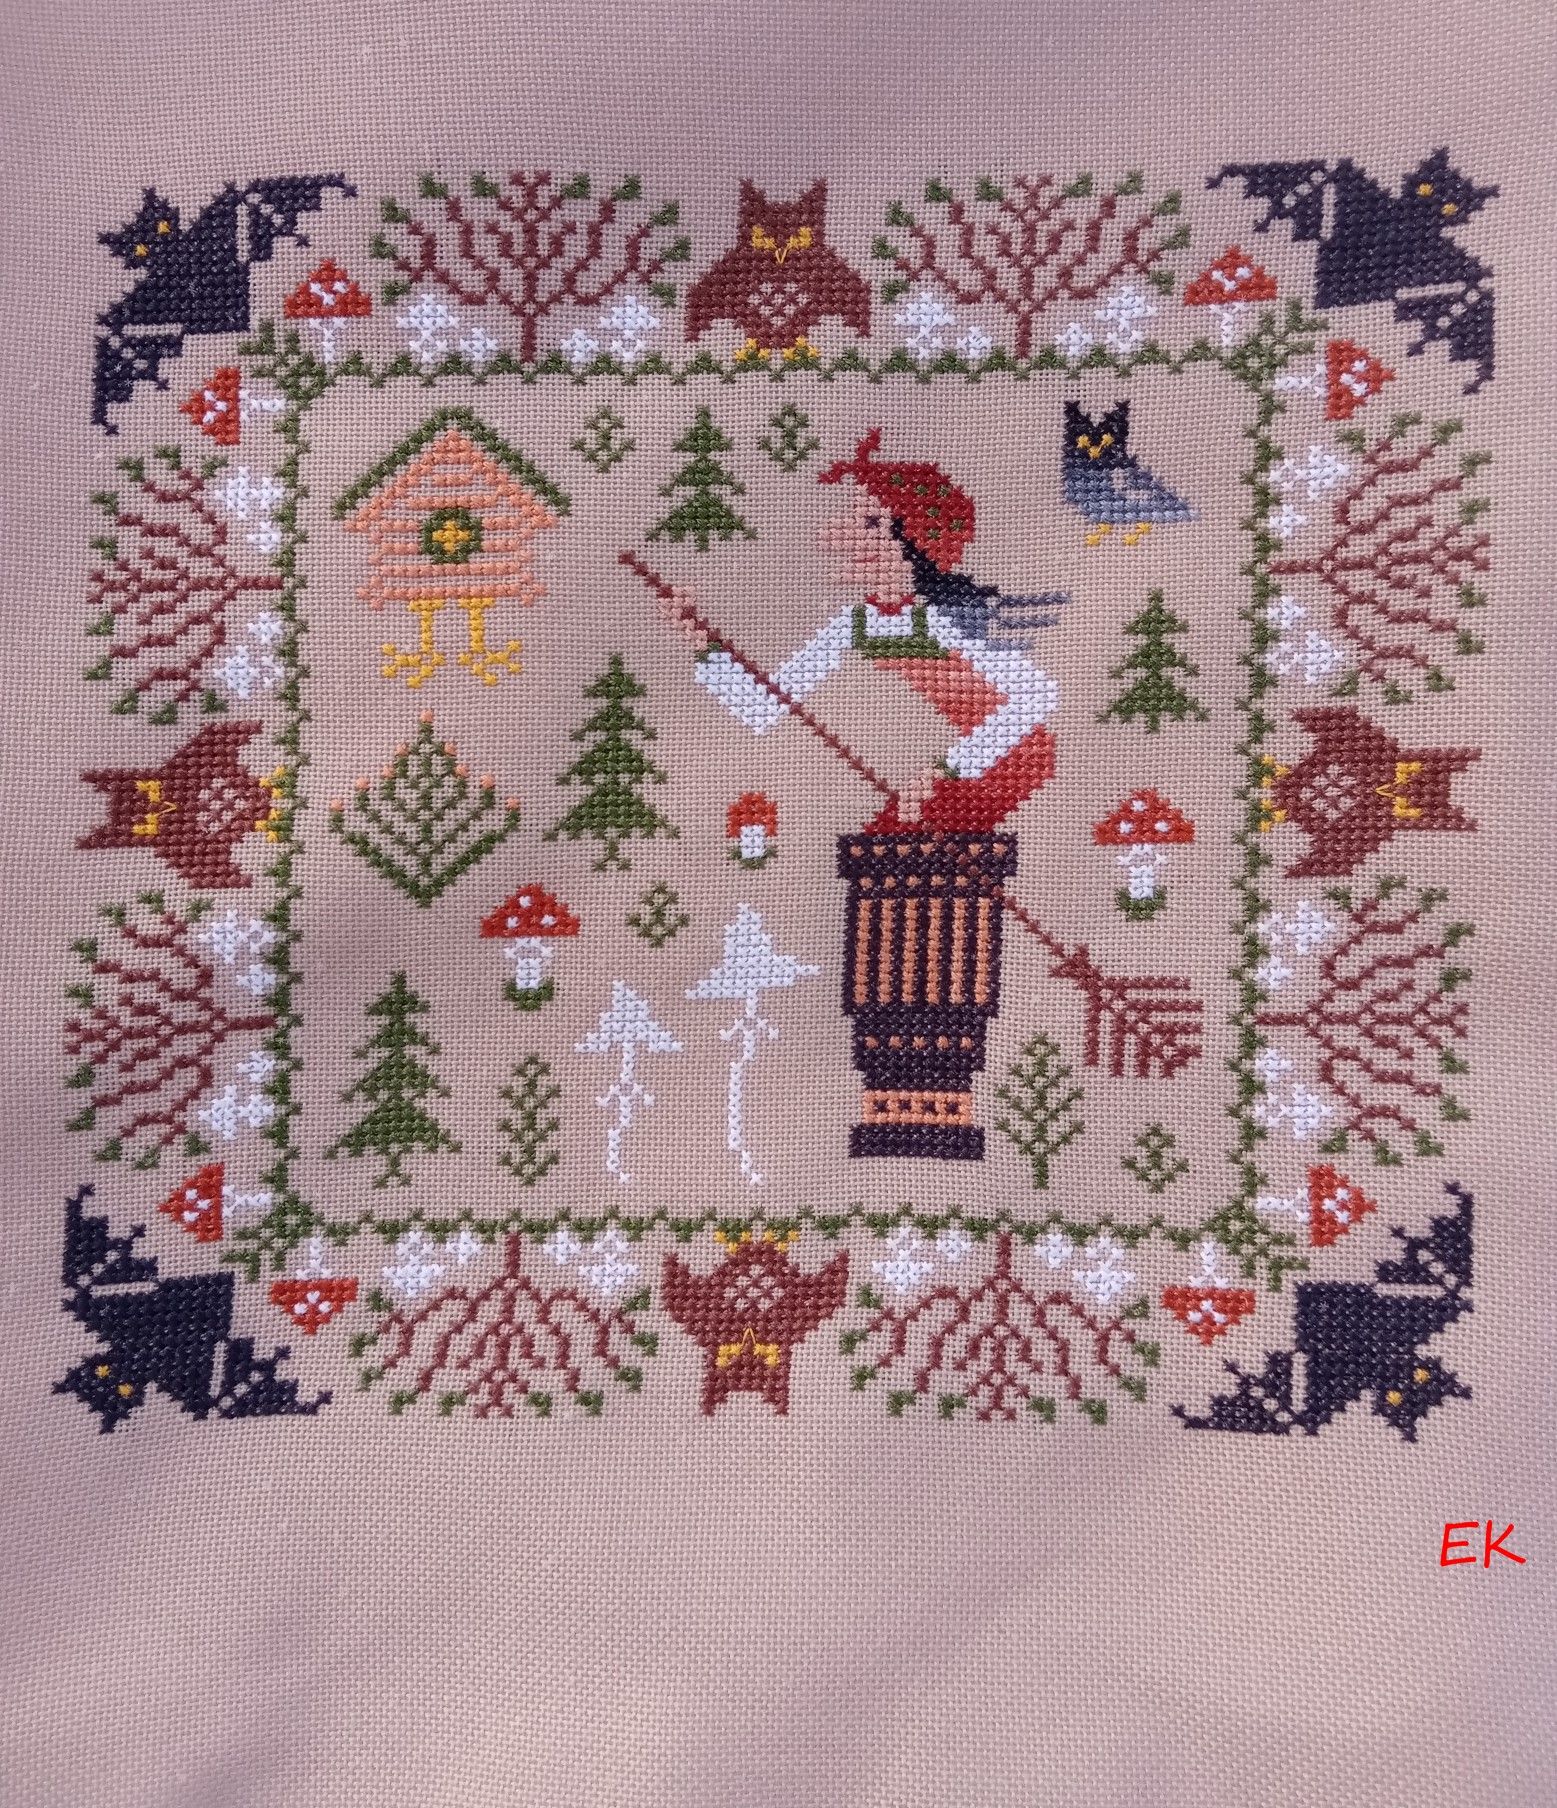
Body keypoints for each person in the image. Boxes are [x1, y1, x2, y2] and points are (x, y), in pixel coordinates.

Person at [658, 428, 1068, 833]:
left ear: (913, 542)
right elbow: (763, 708)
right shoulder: (858, 623)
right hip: (942, 778)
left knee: (895, 851)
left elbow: (1036, 696)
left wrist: (944, 771)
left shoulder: (946, 618)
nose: (842, 532)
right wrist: (700, 641)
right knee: (886, 852)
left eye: (870, 522)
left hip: (1010, 760)